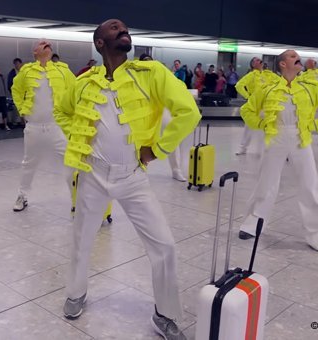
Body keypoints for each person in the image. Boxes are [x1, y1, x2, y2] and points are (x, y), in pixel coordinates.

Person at [54, 19, 199, 340]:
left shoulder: (152, 73)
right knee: (81, 238)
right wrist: (80, 138)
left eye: (122, 27)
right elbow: (61, 112)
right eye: (112, 28)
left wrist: (158, 148)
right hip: (91, 174)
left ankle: (166, 313)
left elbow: (189, 111)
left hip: (133, 176)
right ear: (100, 43)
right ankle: (76, 292)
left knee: (164, 245)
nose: (121, 28)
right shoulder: (83, 82)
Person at [238, 50, 318, 255]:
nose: (298, 58)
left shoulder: (311, 87)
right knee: (266, 182)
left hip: (300, 138)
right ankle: (252, 224)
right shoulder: (267, 88)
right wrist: (260, 123)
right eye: (292, 56)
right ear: (282, 64)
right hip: (275, 136)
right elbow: (247, 110)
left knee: (309, 184)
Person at [11, 40, 76, 212]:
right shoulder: (26, 72)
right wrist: (22, 111)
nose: (46, 43)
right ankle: (22, 195)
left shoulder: (63, 71)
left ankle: (76, 199)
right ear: (35, 52)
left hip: (58, 127)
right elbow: (16, 90)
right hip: (34, 127)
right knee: (28, 164)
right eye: (42, 44)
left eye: (48, 44)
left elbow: (75, 91)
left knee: (71, 163)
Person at [141, 54, 190, 182]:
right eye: (145, 61)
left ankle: (176, 169)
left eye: (149, 61)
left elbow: (176, 88)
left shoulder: (162, 74)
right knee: (141, 141)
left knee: (172, 139)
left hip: (163, 111)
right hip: (143, 112)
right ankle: (141, 169)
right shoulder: (137, 77)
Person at [235, 57, 280, 155]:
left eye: (260, 60)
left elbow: (281, 82)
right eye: (256, 60)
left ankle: (269, 148)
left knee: (269, 126)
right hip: (254, 105)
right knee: (249, 127)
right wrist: (248, 96)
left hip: (268, 104)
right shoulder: (251, 75)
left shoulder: (268, 74)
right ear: (253, 64)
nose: (260, 60)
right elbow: (239, 85)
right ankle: (243, 148)